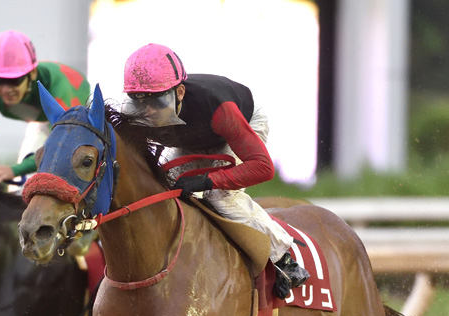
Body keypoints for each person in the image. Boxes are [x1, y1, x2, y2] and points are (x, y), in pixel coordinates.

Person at [121, 43, 309, 298]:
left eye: (157, 101)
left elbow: (262, 168)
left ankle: (283, 259)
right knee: (164, 190)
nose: (148, 112)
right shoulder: (135, 112)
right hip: (192, 137)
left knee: (219, 195)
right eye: (139, 101)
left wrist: (206, 181)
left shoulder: (219, 108)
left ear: (179, 92)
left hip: (240, 125)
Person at [0, 30, 92, 184]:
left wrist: (14, 170)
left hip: (72, 116)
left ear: (32, 73)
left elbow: (62, 146)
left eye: (13, 80)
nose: (5, 89)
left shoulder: (60, 90)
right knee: (21, 187)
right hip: (43, 121)